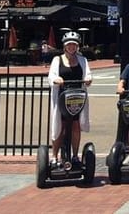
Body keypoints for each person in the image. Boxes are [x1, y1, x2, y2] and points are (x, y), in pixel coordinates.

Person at [47, 31, 92, 168]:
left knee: (75, 126)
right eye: (69, 45)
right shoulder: (57, 60)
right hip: (61, 98)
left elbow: (88, 74)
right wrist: (56, 79)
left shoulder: (82, 60)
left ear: (77, 46)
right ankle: (55, 156)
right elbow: (51, 76)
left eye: (74, 45)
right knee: (59, 127)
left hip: (77, 99)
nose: (72, 47)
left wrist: (88, 80)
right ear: (65, 46)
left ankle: (74, 156)